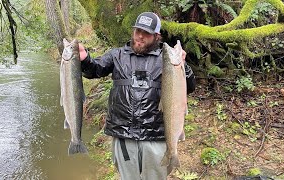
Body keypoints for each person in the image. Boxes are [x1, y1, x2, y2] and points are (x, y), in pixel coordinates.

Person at [78, 12, 196, 180]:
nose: (140, 36)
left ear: (156, 36)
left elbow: (189, 87)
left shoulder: (168, 58)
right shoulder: (117, 55)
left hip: (156, 137)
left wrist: (184, 66)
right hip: (124, 136)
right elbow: (95, 69)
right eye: (137, 30)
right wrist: (85, 60)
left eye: (146, 33)